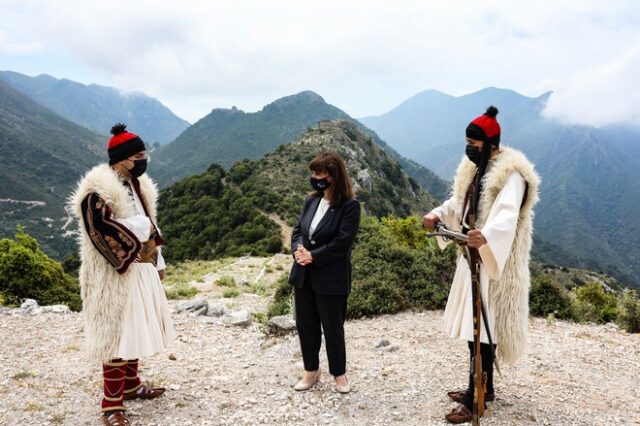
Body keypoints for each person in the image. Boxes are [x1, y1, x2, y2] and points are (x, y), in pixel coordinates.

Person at [422, 107, 540, 424]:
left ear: (490, 144)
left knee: (482, 331)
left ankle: (478, 398)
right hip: (470, 257)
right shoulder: (475, 169)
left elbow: (505, 219)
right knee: (472, 332)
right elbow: (459, 204)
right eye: (467, 144)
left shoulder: (511, 175)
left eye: (473, 145)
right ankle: (479, 387)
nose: (468, 150)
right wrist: (437, 214)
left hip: (492, 264)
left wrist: (484, 237)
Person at [70, 124, 174, 426]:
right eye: (139, 155)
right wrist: (140, 234)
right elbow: (99, 229)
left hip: (139, 269)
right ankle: (111, 404)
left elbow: (149, 223)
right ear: (122, 158)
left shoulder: (138, 185)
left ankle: (130, 384)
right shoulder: (97, 190)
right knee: (116, 334)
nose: (144, 160)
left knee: (136, 327)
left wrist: (157, 258)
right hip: (112, 274)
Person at [288, 151, 361, 394]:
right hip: (303, 276)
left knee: (333, 328)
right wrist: (298, 249)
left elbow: (343, 243)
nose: (314, 177)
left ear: (333, 176)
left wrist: (314, 256)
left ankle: (339, 375)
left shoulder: (350, 207)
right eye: (313, 173)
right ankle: (311, 371)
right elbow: (298, 230)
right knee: (306, 325)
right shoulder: (311, 201)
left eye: (319, 173)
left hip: (331, 278)